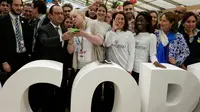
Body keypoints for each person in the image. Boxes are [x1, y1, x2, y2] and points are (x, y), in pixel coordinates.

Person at [62, 9, 104, 111]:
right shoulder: (73, 30)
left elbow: (100, 41)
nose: (73, 19)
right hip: (79, 67)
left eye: (75, 16)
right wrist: (71, 39)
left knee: (93, 93)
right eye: (71, 18)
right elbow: (70, 51)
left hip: (92, 67)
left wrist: (84, 34)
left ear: (82, 15)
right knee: (80, 93)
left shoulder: (93, 25)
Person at [30, 5, 66, 112]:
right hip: (48, 67)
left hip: (62, 67)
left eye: (62, 13)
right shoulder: (43, 29)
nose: (60, 16)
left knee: (60, 93)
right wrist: (61, 38)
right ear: (50, 16)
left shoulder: (64, 28)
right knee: (47, 94)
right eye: (57, 13)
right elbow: (44, 42)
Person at [0, 0, 32, 82]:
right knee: (10, 85)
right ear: (10, 6)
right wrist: (4, 62)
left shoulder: (25, 21)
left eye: (21, 5)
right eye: (16, 5)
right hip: (10, 60)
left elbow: (28, 40)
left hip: (24, 58)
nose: (19, 8)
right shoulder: (2, 21)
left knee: (23, 83)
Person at [133, 12, 165, 83]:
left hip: (143, 69)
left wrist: (155, 62)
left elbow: (152, 54)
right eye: (137, 21)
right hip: (131, 69)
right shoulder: (133, 35)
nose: (139, 23)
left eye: (141, 21)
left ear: (147, 22)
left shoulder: (151, 36)